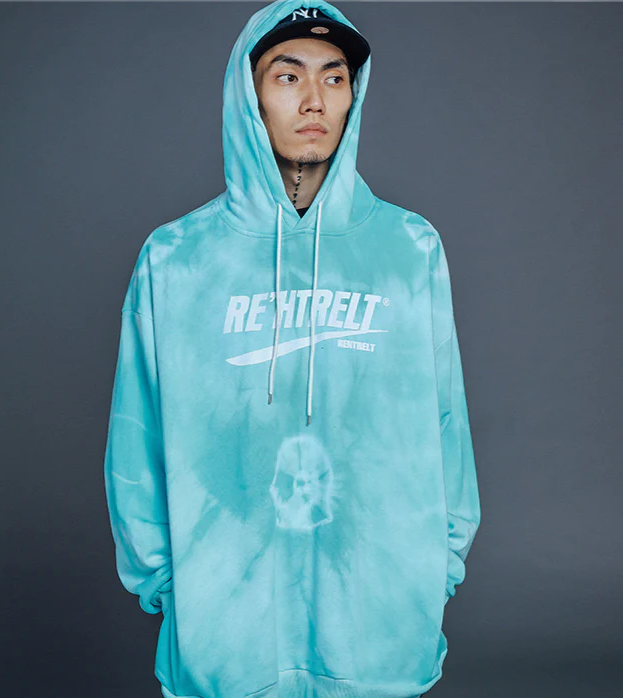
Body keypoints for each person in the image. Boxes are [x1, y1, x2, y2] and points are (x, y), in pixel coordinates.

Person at [103, 1, 481, 697]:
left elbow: (445, 420)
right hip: (226, 643)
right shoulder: (177, 260)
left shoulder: (409, 249)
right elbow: (137, 438)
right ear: (247, 94)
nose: (315, 100)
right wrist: (168, 584)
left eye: (335, 78)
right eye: (288, 75)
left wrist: (437, 569)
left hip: (379, 636)